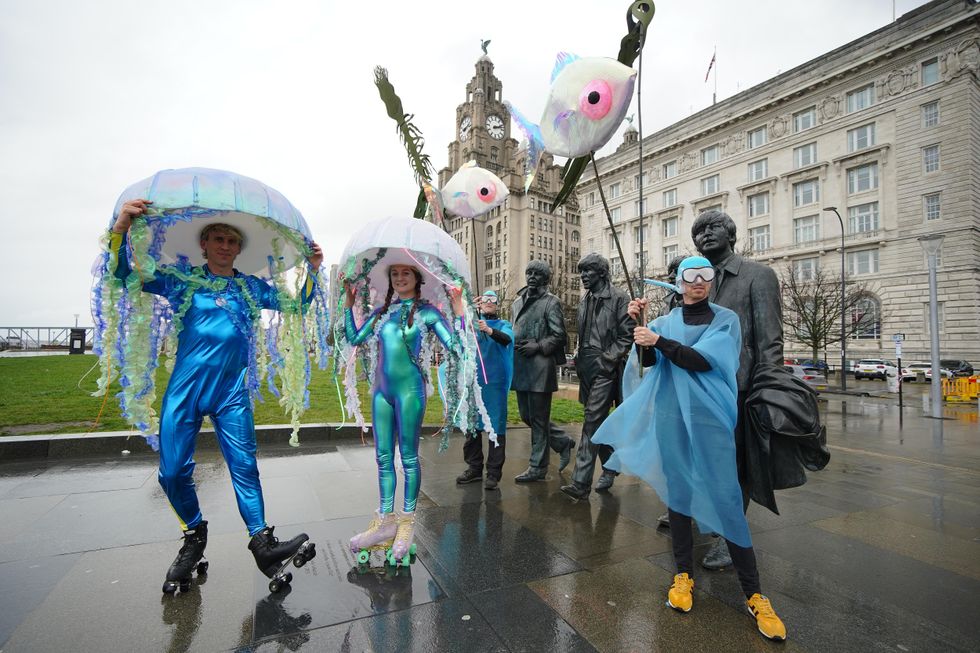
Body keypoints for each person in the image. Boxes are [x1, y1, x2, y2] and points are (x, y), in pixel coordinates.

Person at [110, 199, 323, 594]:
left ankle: (262, 542)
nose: (225, 245)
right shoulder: (183, 281)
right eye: (217, 239)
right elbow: (126, 274)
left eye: (232, 241)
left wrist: (312, 269)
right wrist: (122, 227)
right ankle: (194, 535)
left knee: (245, 466)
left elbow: (296, 304)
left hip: (232, 393)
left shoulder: (250, 287)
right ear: (204, 244)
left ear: (239, 249)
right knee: (172, 472)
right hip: (185, 390)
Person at [592, 256, 787, 641]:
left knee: (727, 496)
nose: (698, 283)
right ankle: (683, 575)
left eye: (705, 276)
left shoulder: (725, 320)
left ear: (712, 280)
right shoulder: (663, 321)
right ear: (679, 282)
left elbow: (701, 361)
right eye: (690, 277)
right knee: (678, 495)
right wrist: (640, 328)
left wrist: (659, 340)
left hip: (710, 420)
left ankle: (754, 593)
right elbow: (649, 361)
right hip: (670, 416)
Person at [345, 265, 466, 564]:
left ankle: (407, 524)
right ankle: (386, 521)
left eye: (406, 274)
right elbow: (355, 338)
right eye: (395, 274)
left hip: (410, 392)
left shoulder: (428, 313)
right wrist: (349, 307)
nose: (400, 278)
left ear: (417, 279)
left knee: (408, 457)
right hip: (381, 393)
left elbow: (457, 347)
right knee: (383, 457)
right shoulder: (381, 313)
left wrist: (458, 310)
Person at [690, 209, 784, 570]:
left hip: (741, 387)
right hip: (701, 385)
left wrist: (767, 387)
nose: (705, 235)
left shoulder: (758, 276)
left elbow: (770, 339)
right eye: (699, 231)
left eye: (713, 228)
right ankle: (713, 520)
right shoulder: (699, 282)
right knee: (709, 462)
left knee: (737, 466)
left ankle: (732, 539)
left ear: (731, 233)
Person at [560, 253, 634, 499]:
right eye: (581, 272)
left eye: (587, 272)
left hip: (606, 366)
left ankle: (580, 483)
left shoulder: (619, 298)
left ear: (601, 272)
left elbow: (627, 336)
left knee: (591, 420)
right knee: (597, 420)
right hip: (586, 366)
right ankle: (611, 464)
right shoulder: (584, 301)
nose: (582, 276)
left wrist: (607, 359)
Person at [510, 260, 576, 482]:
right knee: (527, 416)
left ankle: (538, 467)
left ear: (546, 279)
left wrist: (538, 346)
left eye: (538, 274)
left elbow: (560, 336)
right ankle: (562, 442)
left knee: (539, 419)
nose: (532, 277)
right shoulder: (517, 302)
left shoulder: (551, 302)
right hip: (521, 365)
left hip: (540, 366)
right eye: (529, 272)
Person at [455, 290, 513, 490]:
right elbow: (457, 331)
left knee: (495, 427)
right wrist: (469, 307)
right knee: (472, 425)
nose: (489, 302)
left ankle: (494, 473)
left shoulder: (503, 324)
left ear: (497, 304)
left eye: (493, 300)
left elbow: (507, 339)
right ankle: (474, 468)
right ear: (480, 304)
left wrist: (489, 331)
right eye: (485, 299)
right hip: (473, 382)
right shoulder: (472, 324)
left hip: (495, 384)